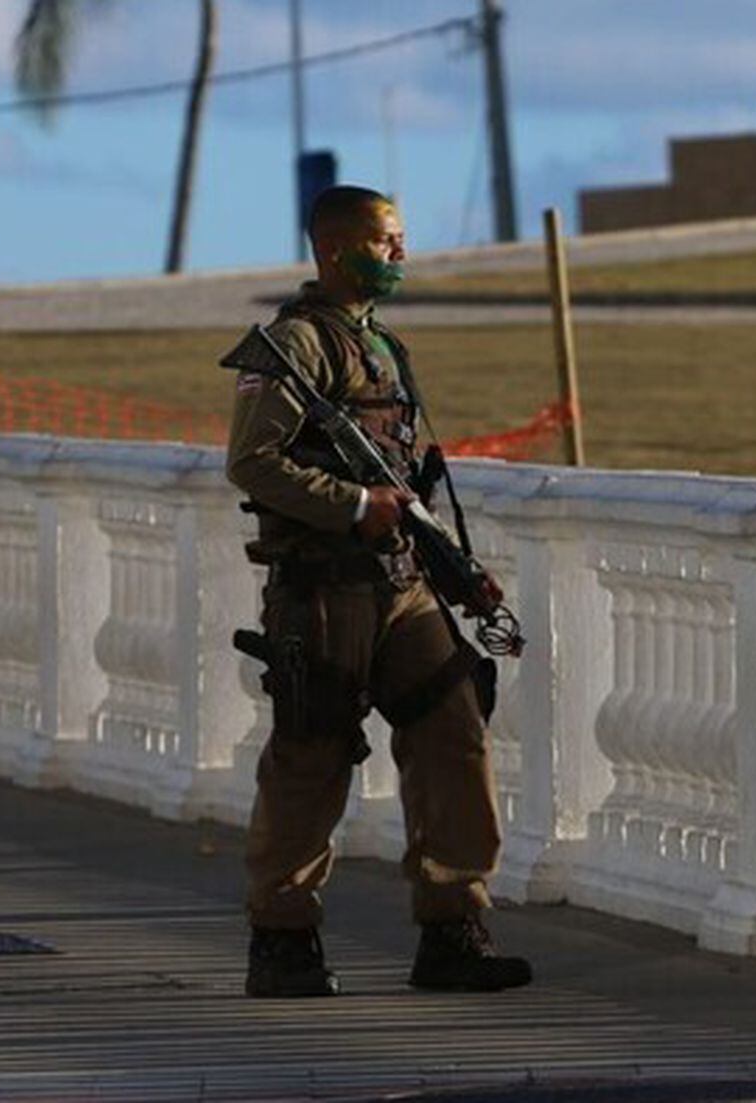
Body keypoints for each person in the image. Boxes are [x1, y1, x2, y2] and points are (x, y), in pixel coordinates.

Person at [224, 184, 531, 997]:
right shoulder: (294, 345)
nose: (399, 252)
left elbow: (407, 478)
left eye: (399, 239)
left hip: (401, 584)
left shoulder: (384, 348)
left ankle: (452, 928)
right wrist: (354, 505)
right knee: (312, 755)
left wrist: (454, 568)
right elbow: (253, 462)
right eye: (383, 240)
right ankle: (282, 939)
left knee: (455, 730)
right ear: (334, 249)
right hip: (323, 593)